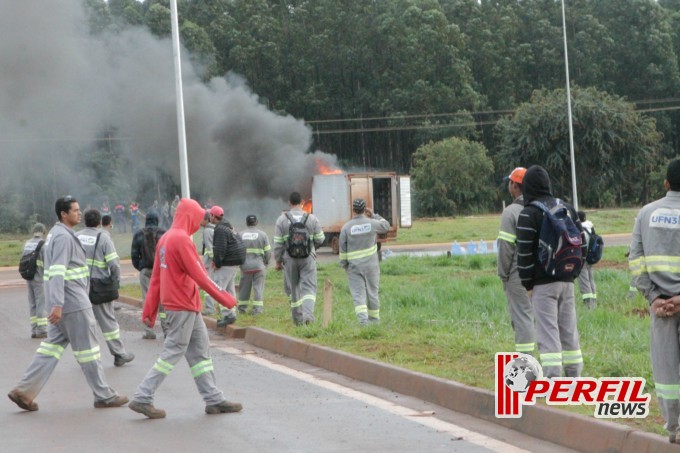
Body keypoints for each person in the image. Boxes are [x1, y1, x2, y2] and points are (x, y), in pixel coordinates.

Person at [8, 196, 128, 412]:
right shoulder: (63, 237)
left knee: (50, 350)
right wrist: (57, 304)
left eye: (79, 210)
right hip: (73, 304)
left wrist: (56, 304)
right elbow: (57, 272)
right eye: (75, 210)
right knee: (89, 351)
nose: (79, 214)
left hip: (65, 304)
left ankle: (24, 391)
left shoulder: (57, 234)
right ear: (64, 214)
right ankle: (104, 395)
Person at [128, 198, 242, 419]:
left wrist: (149, 311)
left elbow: (156, 281)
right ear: (190, 217)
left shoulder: (166, 239)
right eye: (198, 218)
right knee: (172, 352)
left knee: (200, 351)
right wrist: (226, 299)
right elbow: (200, 275)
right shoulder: (181, 240)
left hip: (185, 306)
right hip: (182, 307)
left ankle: (213, 399)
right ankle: (143, 396)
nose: (200, 224)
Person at [629, 158, 680, 444]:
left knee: (666, 369)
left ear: (666, 183)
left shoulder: (646, 213)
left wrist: (654, 297)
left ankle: (674, 428)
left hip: (660, 306)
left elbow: (635, 260)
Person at [516, 165, 584, 378]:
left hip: (542, 285)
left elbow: (524, 255)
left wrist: (528, 284)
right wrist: (573, 274)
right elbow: (581, 243)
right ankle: (574, 376)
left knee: (548, 332)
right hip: (567, 280)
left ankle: (553, 379)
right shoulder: (566, 208)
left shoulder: (528, 214)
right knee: (568, 330)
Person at [77, 209, 135, 367]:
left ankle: (85, 356)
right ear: (99, 222)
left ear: (84, 221)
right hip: (99, 287)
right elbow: (113, 264)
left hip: (79, 286)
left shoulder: (77, 236)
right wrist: (115, 281)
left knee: (84, 322)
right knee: (108, 322)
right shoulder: (103, 237)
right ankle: (119, 354)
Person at [497, 167, 536, 354]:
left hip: (517, 272)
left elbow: (505, 248)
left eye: (510, 183)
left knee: (521, 317)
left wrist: (503, 275)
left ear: (515, 186)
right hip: (539, 273)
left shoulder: (511, 212)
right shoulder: (537, 208)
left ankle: (525, 363)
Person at [274, 191, 325, 325]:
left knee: (293, 289)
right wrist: (313, 247)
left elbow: (278, 244)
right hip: (308, 258)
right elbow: (321, 239)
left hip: (289, 259)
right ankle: (308, 316)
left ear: (289, 203)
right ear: (302, 202)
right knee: (308, 288)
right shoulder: (312, 218)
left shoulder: (282, 219)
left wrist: (278, 261)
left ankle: (297, 319)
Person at [339, 199, 391, 325]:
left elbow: (343, 250)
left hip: (354, 267)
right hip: (372, 266)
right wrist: (374, 215)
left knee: (358, 294)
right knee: (372, 293)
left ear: (353, 210)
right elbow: (386, 226)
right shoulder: (372, 223)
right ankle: (375, 320)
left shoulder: (346, 228)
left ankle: (363, 322)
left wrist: (345, 266)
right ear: (364, 210)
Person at [131, 210, 167, 340]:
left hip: (145, 271)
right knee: (163, 301)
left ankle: (149, 330)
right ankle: (166, 329)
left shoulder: (138, 234)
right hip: (162, 271)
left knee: (147, 300)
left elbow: (134, 256)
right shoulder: (164, 233)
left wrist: (141, 267)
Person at [201, 206, 238, 326]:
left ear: (210, 217)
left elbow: (211, 249)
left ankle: (223, 312)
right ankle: (232, 310)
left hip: (214, 263)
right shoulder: (226, 227)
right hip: (230, 262)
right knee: (229, 288)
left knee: (215, 287)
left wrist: (215, 263)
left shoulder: (209, 230)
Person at [237, 215, 271, 315]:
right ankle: (257, 310)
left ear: (246, 223)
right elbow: (268, 252)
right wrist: (266, 262)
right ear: (256, 222)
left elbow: (237, 251)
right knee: (258, 288)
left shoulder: (240, 234)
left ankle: (242, 309)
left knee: (244, 288)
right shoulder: (263, 235)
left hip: (245, 267)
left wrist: (240, 263)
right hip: (259, 266)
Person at [22, 223, 48, 338]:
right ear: (43, 231)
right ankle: (41, 329)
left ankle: (33, 329)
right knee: (41, 304)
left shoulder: (26, 244)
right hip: (39, 278)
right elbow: (48, 262)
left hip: (29, 277)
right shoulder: (44, 244)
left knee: (32, 304)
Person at [577, 211, 598, 310]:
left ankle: (588, 305)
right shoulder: (590, 227)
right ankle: (594, 302)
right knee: (591, 279)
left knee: (584, 281)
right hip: (590, 258)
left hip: (582, 258)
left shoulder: (579, 229)